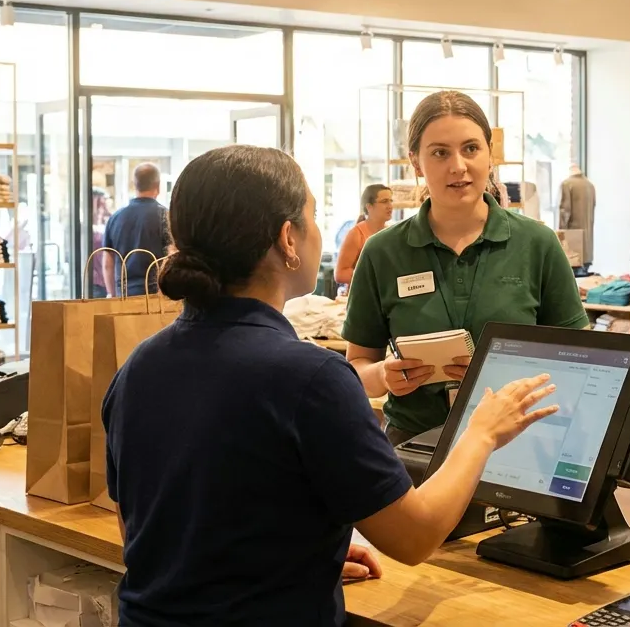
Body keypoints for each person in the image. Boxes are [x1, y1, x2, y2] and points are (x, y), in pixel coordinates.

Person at [101, 145, 559, 627]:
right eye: (312, 216)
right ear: (287, 238)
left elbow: (148, 537)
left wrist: (289, 559)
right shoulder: (310, 378)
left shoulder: (138, 367)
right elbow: (416, 537)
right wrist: (482, 433)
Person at [343, 91, 589, 445]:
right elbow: (357, 366)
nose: (458, 166)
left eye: (471, 149)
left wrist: (506, 373)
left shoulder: (537, 243)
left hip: (518, 443)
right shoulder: (382, 251)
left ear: (490, 154)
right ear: (415, 162)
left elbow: (579, 359)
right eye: (440, 152)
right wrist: (383, 375)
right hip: (415, 445)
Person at [102, 163, 169, 297]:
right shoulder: (167, 217)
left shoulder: (115, 218)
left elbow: (107, 262)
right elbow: (171, 256)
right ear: (158, 186)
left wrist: (112, 294)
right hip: (157, 295)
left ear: (135, 184)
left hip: (125, 294)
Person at [335, 184, 392, 286]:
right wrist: (373, 277)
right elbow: (340, 274)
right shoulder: (356, 234)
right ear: (369, 207)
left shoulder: (391, 233)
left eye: (391, 201)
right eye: (384, 201)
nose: (390, 206)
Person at [89, 188, 114, 298]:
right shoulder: (85, 227)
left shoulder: (108, 222)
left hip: (106, 281)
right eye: (99, 204)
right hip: (95, 281)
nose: (102, 209)